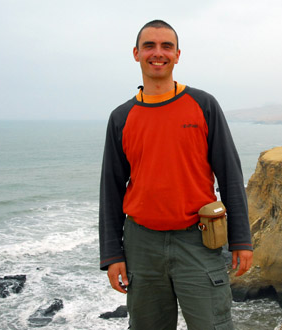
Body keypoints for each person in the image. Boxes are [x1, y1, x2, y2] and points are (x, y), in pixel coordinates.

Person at [99, 20, 253, 329]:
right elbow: (111, 189)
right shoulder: (121, 117)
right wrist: (112, 254)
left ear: (178, 55)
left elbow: (230, 176)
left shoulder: (203, 105)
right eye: (150, 46)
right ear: (136, 53)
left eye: (166, 46)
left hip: (199, 239)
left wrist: (241, 239)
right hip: (141, 245)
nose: (158, 53)